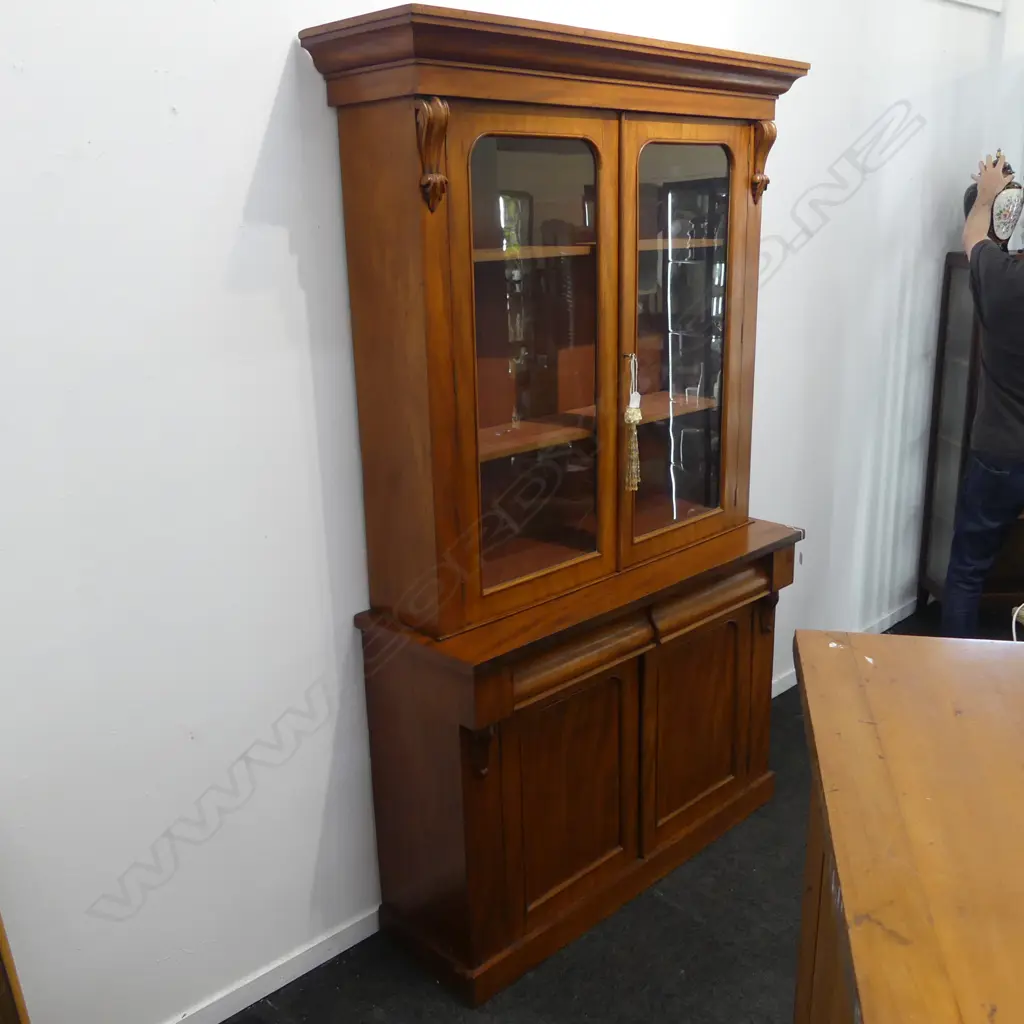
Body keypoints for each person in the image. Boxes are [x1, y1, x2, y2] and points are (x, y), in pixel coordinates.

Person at [943, 152, 1024, 637]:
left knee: (968, 569)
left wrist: (989, 197)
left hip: (999, 452)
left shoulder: (1002, 281)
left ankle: (956, 684)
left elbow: (973, 236)